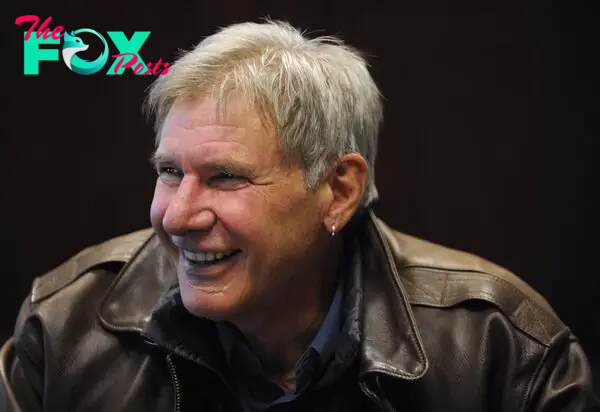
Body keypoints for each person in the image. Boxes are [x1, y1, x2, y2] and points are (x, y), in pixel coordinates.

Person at [0, 20, 598, 412]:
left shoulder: (502, 351)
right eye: (169, 172)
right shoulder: (63, 331)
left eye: (226, 177)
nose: (178, 217)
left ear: (338, 190)